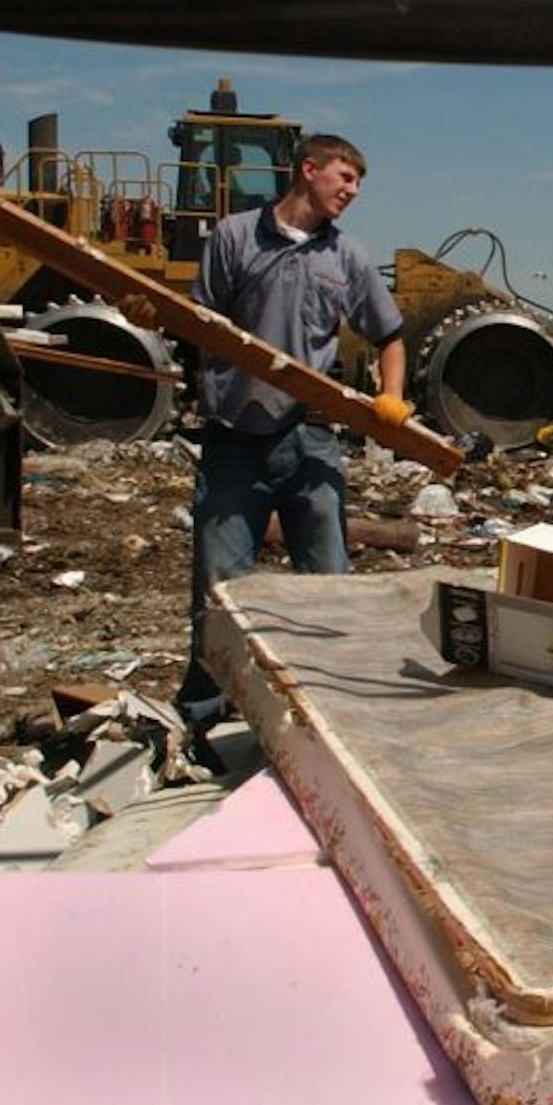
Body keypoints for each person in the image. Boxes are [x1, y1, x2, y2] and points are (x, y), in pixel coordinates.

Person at [125, 132, 413, 715]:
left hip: (308, 441)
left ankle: (333, 709)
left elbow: (390, 336)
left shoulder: (346, 257)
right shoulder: (234, 237)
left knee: (329, 583)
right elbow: (202, 323)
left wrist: (392, 397)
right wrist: (155, 316)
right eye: (346, 178)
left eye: (358, 183)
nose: (353, 192)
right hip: (233, 438)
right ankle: (206, 713)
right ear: (309, 170)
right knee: (220, 589)